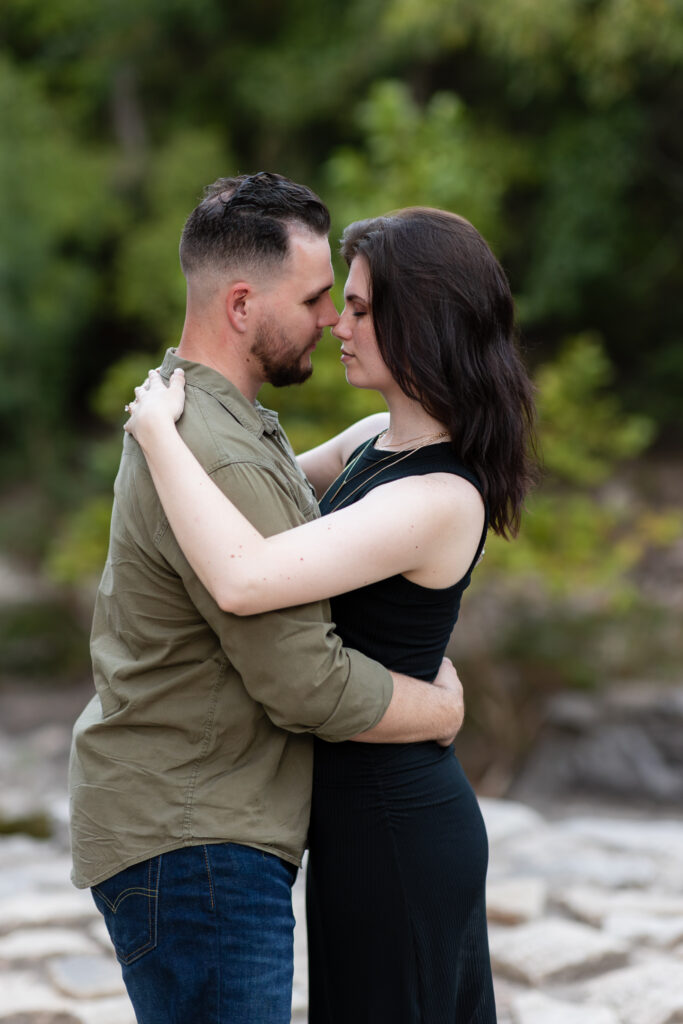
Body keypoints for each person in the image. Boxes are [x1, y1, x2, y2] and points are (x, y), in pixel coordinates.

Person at [68, 175, 468, 1024]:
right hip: (199, 834)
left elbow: (343, 471)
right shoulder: (218, 449)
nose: (331, 320)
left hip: (184, 826)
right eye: (319, 298)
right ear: (243, 305)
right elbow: (303, 680)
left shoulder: (204, 421)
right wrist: (435, 709)